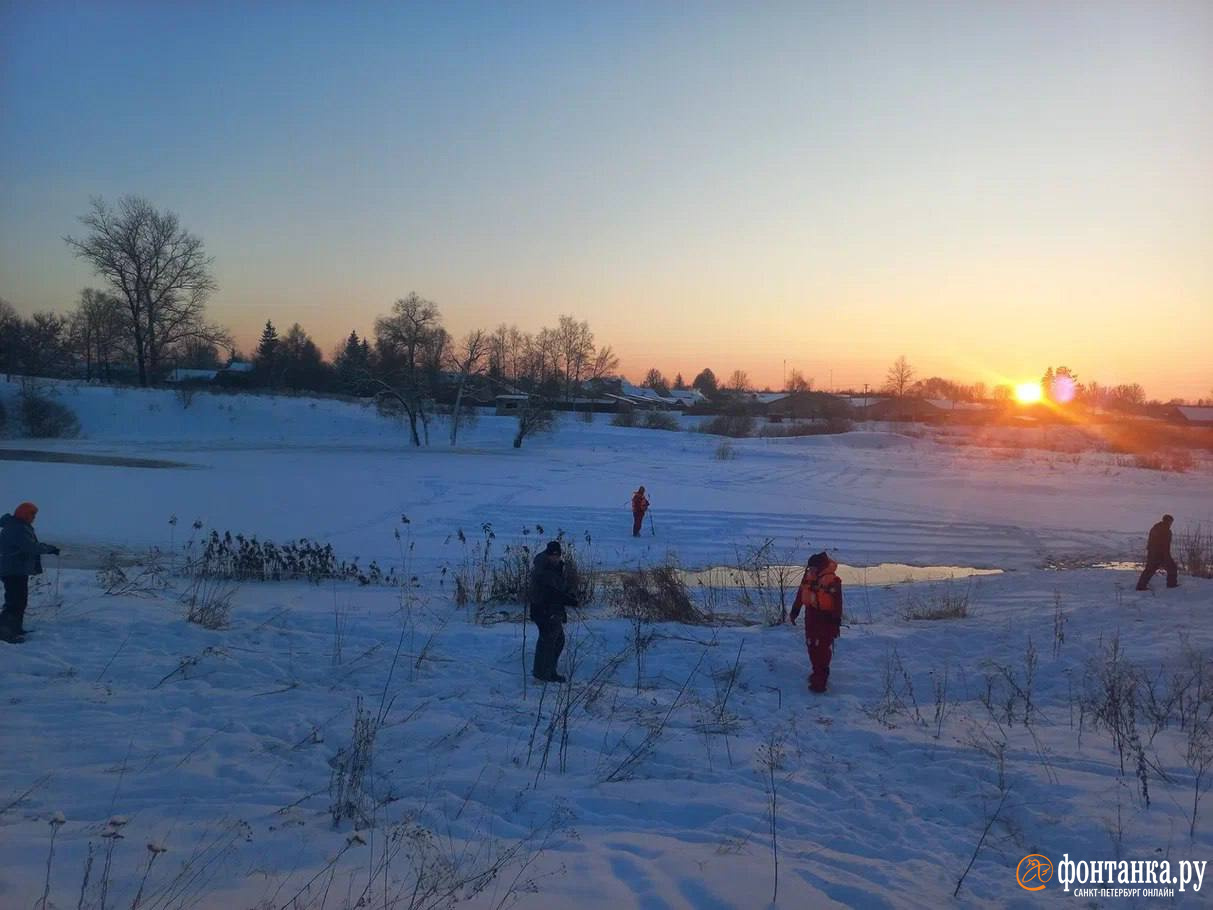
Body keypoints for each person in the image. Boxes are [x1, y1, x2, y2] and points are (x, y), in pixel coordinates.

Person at [1, 502, 60, 643]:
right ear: (24, 514)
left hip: (15, 569)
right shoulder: (18, 528)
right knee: (15, 602)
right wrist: (49, 549)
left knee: (18, 601)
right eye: (32, 514)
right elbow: (30, 547)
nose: (34, 518)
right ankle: (5, 633)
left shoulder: (16, 525)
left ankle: (14, 629)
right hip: (13, 570)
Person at [788, 551, 843, 693]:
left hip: (827, 617)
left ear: (821, 567)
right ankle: (816, 672)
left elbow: (838, 604)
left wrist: (836, 623)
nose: (811, 570)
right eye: (810, 568)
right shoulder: (808, 577)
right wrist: (795, 611)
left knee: (822, 647)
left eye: (813, 568)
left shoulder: (833, 581)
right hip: (811, 614)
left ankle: (821, 679)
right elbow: (801, 595)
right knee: (811, 644)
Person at [529, 540, 577, 683]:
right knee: (549, 642)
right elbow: (552, 592)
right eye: (552, 555)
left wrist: (570, 593)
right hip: (544, 610)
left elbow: (561, 586)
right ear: (547, 554)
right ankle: (544, 673)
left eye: (557, 555)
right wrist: (569, 600)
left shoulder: (555, 567)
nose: (555, 558)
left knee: (556, 641)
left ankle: (547, 671)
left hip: (552, 609)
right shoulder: (543, 570)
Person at [1136, 514, 1179, 591]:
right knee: (1172, 568)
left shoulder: (1156, 527)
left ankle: (1140, 586)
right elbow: (1165, 545)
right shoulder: (1165, 530)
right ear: (1168, 521)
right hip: (1160, 554)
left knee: (1149, 570)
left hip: (1153, 553)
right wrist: (1166, 555)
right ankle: (1171, 585)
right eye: (1171, 522)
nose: (1171, 523)